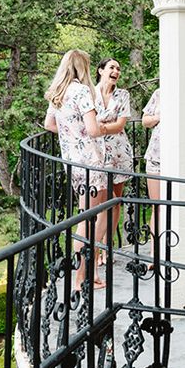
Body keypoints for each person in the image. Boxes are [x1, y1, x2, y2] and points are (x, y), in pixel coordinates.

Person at [44, 49, 120, 291]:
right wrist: (105, 127)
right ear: (82, 67)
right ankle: (81, 279)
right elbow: (94, 130)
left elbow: (49, 125)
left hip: (73, 163)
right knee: (90, 219)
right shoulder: (81, 91)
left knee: (87, 216)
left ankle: (89, 273)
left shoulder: (58, 92)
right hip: (91, 162)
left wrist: (71, 133)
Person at [94, 57, 133, 263]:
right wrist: (103, 126)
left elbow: (120, 125)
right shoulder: (90, 93)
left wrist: (101, 127)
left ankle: (108, 248)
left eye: (118, 68)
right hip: (98, 154)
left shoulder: (123, 95)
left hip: (119, 153)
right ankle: (97, 250)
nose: (116, 71)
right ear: (101, 70)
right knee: (101, 202)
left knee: (115, 201)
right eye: (112, 67)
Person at [142, 86, 162, 265]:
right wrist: (159, 117)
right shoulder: (159, 93)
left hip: (177, 161)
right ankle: (154, 254)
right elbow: (145, 120)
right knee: (157, 207)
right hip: (156, 157)